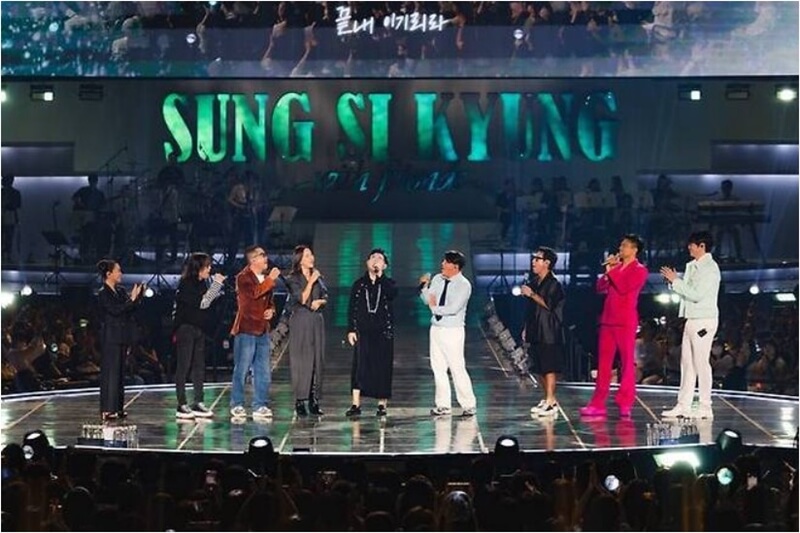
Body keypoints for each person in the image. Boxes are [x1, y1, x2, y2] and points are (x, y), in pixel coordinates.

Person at [580, 234, 648, 418]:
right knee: (603, 364)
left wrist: (612, 271)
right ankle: (597, 404)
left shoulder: (640, 270)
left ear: (634, 250)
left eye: (624, 246)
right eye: (621, 245)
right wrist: (608, 270)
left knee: (626, 363)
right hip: (608, 320)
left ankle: (625, 402)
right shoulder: (616, 268)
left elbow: (624, 287)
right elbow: (600, 287)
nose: (620, 248)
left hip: (625, 321)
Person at [659, 231, 721, 419]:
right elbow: (686, 292)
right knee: (687, 364)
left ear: (702, 246)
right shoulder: (692, 266)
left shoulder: (710, 268)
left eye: (692, 244)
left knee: (701, 363)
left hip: (704, 320)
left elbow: (696, 295)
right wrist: (673, 283)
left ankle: (705, 407)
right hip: (691, 319)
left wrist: (676, 281)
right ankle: (683, 405)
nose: (689, 247)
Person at [419, 250, 477, 417]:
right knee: (438, 367)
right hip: (436, 328)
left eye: (446, 262)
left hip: (453, 330)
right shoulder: (438, 279)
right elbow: (428, 299)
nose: (442, 264)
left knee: (457, 367)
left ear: (455, 266)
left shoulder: (464, 285)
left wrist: (434, 308)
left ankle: (468, 404)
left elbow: (453, 308)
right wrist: (424, 287)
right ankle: (443, 405)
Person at [229, 245, 281, 420]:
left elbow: (269, 301)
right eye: (262, 255)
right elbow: (252, 295)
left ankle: (260, 405)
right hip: (247, 329)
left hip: (263, 330)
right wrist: (270, 279)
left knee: (263, 370)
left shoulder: (265, 279)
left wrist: (271, 311)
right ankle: (237, 404)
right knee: (242, 369)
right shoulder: (243, 278)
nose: (266, 258)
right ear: (253, 260)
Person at [345, 248, 398, 418]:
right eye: (372, 257)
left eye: (380, 258)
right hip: (363, 332)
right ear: (367, 262)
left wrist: (380, 276)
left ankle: (382, 404)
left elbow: (392, 294)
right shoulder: (359, 284)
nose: (375, 260)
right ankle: (355, 404)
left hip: (383, 332)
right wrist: (351, 329)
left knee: (382, 367)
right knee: (359, 367)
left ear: (385, 265)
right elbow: (352, 308)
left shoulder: (388, 283)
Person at [173, 252, 225, 419]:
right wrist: (216, 285)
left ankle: (198, 402)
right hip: (186, 329)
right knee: (184, 366)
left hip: (199, 329)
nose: (210, 269)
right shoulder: (186, 284)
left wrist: (215, 290)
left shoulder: (202, 283)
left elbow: (207, 302)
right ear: (198, 267)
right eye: (207, 266)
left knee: (198, 367)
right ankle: (181, 404)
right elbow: (203, 303)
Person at [96, 259, 144, 421]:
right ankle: (107, 408)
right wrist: (131, 300)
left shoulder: (121, 291)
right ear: (108, 274)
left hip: (122, 336)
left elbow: (129, 310)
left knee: (120, 373)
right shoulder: (103, 293)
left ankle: (117, 406)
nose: (121, 273)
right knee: (111, 372)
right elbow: (115, 310)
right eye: (118, 271)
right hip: (110, 337)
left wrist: (137, 297)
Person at [285, 245, 328, 417]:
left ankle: (313, 399)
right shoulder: (292, 279)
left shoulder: (318, 276)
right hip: (301, 320)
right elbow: (301, 299)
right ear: (300, 260)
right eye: (307, 255)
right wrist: (310, 281)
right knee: (302, 360)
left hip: (316, 320)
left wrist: (320, 302)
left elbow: (325, 295)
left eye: (311, 254)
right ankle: (300, 400)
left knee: (317, 359)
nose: (311, 258)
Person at [523, 246, 565, 417]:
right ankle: (548, 399)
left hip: (549, 331)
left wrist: (532, 294)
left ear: (547, 263)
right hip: (536, 329)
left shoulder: (554, 284)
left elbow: (549, 304)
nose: (533, 262)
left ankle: (550, 401)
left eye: (537, 259)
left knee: (549, 367)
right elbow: (531, 310)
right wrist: (526, 328)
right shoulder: (535, 282)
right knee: (540, 367)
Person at [72, 174, 107, 262]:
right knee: (85, 236)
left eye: (94, 182)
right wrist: (80, 204)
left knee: (97, 236)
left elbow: (103, 205)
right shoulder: (84, 190)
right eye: (91, 181)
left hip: (95, 218)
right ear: (89, 181)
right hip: (84, 218)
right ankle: (84, 256)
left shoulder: (99, 193)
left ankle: (97, 256)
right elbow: (74, 197)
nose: (93, 183)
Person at [1, 174, 21, 262]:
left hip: (10, 215)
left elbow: (17, 205)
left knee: (9, 236)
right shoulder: (3, 192)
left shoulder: (15, 193)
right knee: (5, 236)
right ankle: (4, 255)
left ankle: (8, 255)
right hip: (5, 214)